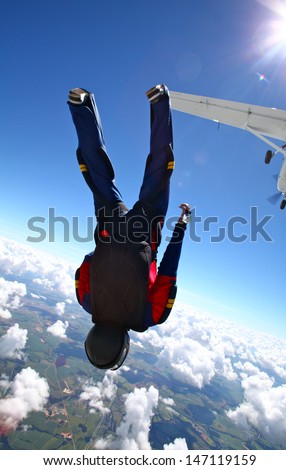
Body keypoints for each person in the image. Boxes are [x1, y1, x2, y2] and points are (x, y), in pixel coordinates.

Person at [68, 84, 190, 370]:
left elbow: (168, 271)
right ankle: (80, 105)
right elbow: (87, 262)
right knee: (98, 173)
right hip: (109, 230)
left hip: (143, 233)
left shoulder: (150, 316)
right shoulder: (85, 301)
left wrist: (182, 225)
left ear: (123, 347)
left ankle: (160, 101)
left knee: (160, 170)